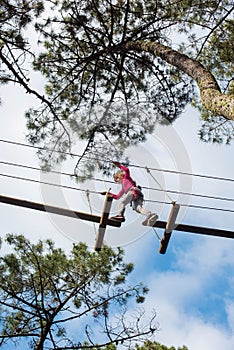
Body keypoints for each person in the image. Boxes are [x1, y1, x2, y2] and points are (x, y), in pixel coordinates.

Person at [101, 161, 158, 226]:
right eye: (116, 180)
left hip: (133, 192)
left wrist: (119, 165)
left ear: (120, 176)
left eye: (117, 178)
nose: (116, 180)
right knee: (138, 208)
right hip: (137, 196)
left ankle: (120, 215)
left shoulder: (126, 178)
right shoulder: (124, 188)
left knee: (122, 203)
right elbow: (117, 197)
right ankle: (150, 214)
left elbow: (127, 170)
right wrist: (107, 193)